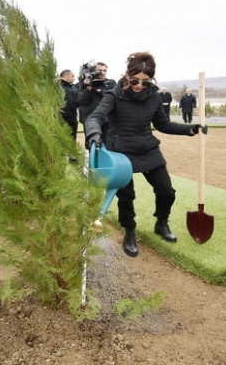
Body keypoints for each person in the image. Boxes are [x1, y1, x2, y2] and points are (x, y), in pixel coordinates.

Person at [84, 52, 207, 258]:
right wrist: (94, 133)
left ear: (151, 79)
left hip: (148, 150)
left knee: (167, 191)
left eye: (145, 81)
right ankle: (130, 231)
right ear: (127, 75)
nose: (139, 85)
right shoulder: (114, 95)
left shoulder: (154, 97)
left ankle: (161, 222)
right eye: (135, 80)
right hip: (121, 153)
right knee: (126, 196)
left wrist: (190, 129)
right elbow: (94, 117)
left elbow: (163, 124)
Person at [77, 61, 116, 146]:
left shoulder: (111, 83)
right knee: (93, 145)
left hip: (107, 120)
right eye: (100, 70)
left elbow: (114, 98)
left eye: (105, 70)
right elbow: (81, 101)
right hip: (90, 121)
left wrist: (100, 90)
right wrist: (88, 89)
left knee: (108, 144)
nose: (102, 73)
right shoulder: (84, 84)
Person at [59, 69, 79, 141]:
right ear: (66, 76)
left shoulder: (73, 89)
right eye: (72, 76)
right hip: (60, 119)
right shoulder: (57, 87)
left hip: (72, 119)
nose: (74, 78)